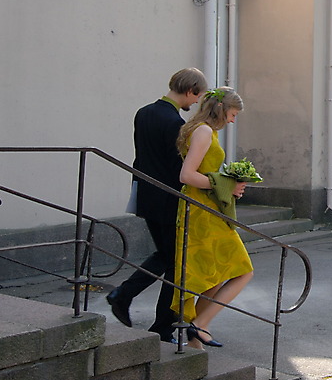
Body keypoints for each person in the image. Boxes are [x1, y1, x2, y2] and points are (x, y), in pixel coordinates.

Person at [107, 67, 207, 342]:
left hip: (146, 195)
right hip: (168, 199)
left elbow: (142, 157)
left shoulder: (144, 113)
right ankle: (162, 326)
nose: (196, 101)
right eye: (196, 96)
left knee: (166, 255)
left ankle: (124, 295)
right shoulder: (175, 123)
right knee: (176, 264)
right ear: (190, 90)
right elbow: (177, 168)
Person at [172, 87, 254, 349]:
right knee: (243, 271)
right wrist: (227, 185)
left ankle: (195, 341)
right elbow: (186, 175)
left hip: (205, 208)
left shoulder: (204, 130)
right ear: (221, 109)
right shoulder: (204, 132)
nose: (233, 120)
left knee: (215, 275)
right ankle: (201, 324)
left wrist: (227, 184)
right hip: (201, 211)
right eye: (233, 114)